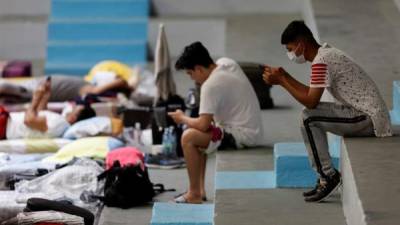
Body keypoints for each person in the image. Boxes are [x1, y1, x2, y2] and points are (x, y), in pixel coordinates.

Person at [262, 20, 392, 202]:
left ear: (301, 44)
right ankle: (325, 176)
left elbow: (311, 102)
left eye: (290, 49)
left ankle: (328, 176)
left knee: (308, 117)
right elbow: (310, 93)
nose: (289, 54)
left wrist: (282, 82)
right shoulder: (325, 54)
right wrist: (285, 76)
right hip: (367, 113)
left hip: (367, 117)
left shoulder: (322, 61)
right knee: (309, 116)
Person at [168, 42, 264, 204]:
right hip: (251, 129)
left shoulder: (210, 85)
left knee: (189, 137)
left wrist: (182, 117)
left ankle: (194, 193)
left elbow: (203, 124)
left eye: (191, 74)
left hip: (242, 135)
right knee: (200, 134)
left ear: (199, 68)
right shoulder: (226, 63)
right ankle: (200, 190)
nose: (192, 79)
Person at [0, 77, 96, 140]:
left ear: (73, 118)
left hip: (5, 126)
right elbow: (40, 114)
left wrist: (36, 98)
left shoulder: (59, 124)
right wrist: (46, 96)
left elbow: (29, 120)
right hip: (6, 121)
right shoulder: (60, 122)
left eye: (75, 109)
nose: (72, 107)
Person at [0, 61, 137, 104]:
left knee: (6, 90)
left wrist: (120, 83)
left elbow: (96, 91)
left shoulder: (86, 88)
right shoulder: (84, 84)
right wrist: (121, 83)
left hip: (33, 89)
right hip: (33, 86)